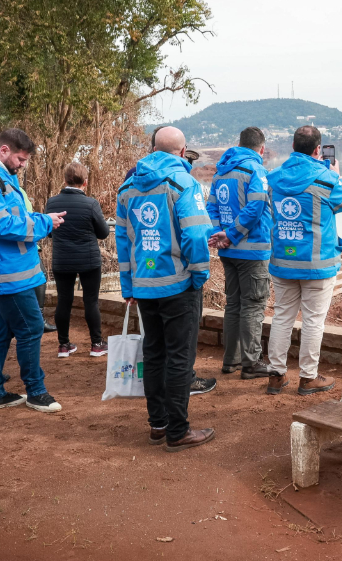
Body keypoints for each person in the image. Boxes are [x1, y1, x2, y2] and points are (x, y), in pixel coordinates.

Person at [115, 126, 216, 451]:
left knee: (154, 353)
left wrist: (128, 283)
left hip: (144, 286)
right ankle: (178, 431)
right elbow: (197, 236)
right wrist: (199, 275)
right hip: (178, 285)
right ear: (182, 150)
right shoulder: (184, 183)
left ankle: (158, 423)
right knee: (179, 357)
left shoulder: (127, 188)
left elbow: (123, 240)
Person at [0, 128, 67, 414]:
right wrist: (44, 225)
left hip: (11, 268)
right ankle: (36, 391)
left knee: (1, 331)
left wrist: (43, 218)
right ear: (4, 150)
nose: (23, 165)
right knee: (30, 328)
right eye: (20, 158)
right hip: (5, 271)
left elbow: (15, 216)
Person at [265, 126, 342, 395]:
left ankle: (276, 376)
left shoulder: (274, 177)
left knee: (282, 316)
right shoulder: (326, 178)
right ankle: (308, 378)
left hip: (283, 260)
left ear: (293, 145)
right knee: (314, 320)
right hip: (318, 264)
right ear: (318, 150)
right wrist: (336, 176)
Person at [207, 127, 274, 380]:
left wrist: (219, 234)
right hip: (253, 250)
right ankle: (251, 363)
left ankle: (231, 360)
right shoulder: (256, 170)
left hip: (227, 251)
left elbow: (211, 207)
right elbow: (256, 206)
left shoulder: (220, 172)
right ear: (262, 148)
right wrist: (232, 233)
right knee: (253, 306)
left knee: (233, 304)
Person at [45, 162, 111, 358]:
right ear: (86, 182)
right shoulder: (91, 204)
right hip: (88, 259)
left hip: (62, 259)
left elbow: (49, 231)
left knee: (63, 301)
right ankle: (96, 344)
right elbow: (104, 233)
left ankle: (64, 345)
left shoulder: (52, 203)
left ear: (64, 181)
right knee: (91, 301)